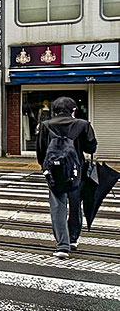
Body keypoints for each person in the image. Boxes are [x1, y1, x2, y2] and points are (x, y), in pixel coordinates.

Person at [36, 96, 97, 259]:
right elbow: (91, 148)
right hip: (77, 172)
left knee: (58, 207)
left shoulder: (45, 125)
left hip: (54, 172)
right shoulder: (83, 125)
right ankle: (73, 239)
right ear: (74, 110)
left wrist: (46, 169)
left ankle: (62, 246)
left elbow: (40, 150)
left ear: (54, 111)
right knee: (76, 205)